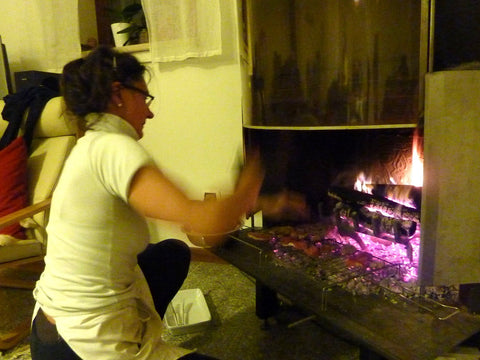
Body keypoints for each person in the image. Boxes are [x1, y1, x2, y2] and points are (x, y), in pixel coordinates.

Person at [30, 46, 263, 360]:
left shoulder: (92, 144)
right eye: (145, 97)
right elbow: (204, 226)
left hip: (49, 329)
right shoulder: (113, 147)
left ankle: (143, 332)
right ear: (118, 94)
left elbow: (184, 210)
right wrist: (251, 178)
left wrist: (251, 203)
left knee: (172, 254)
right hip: (79, 343)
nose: (150, 112)